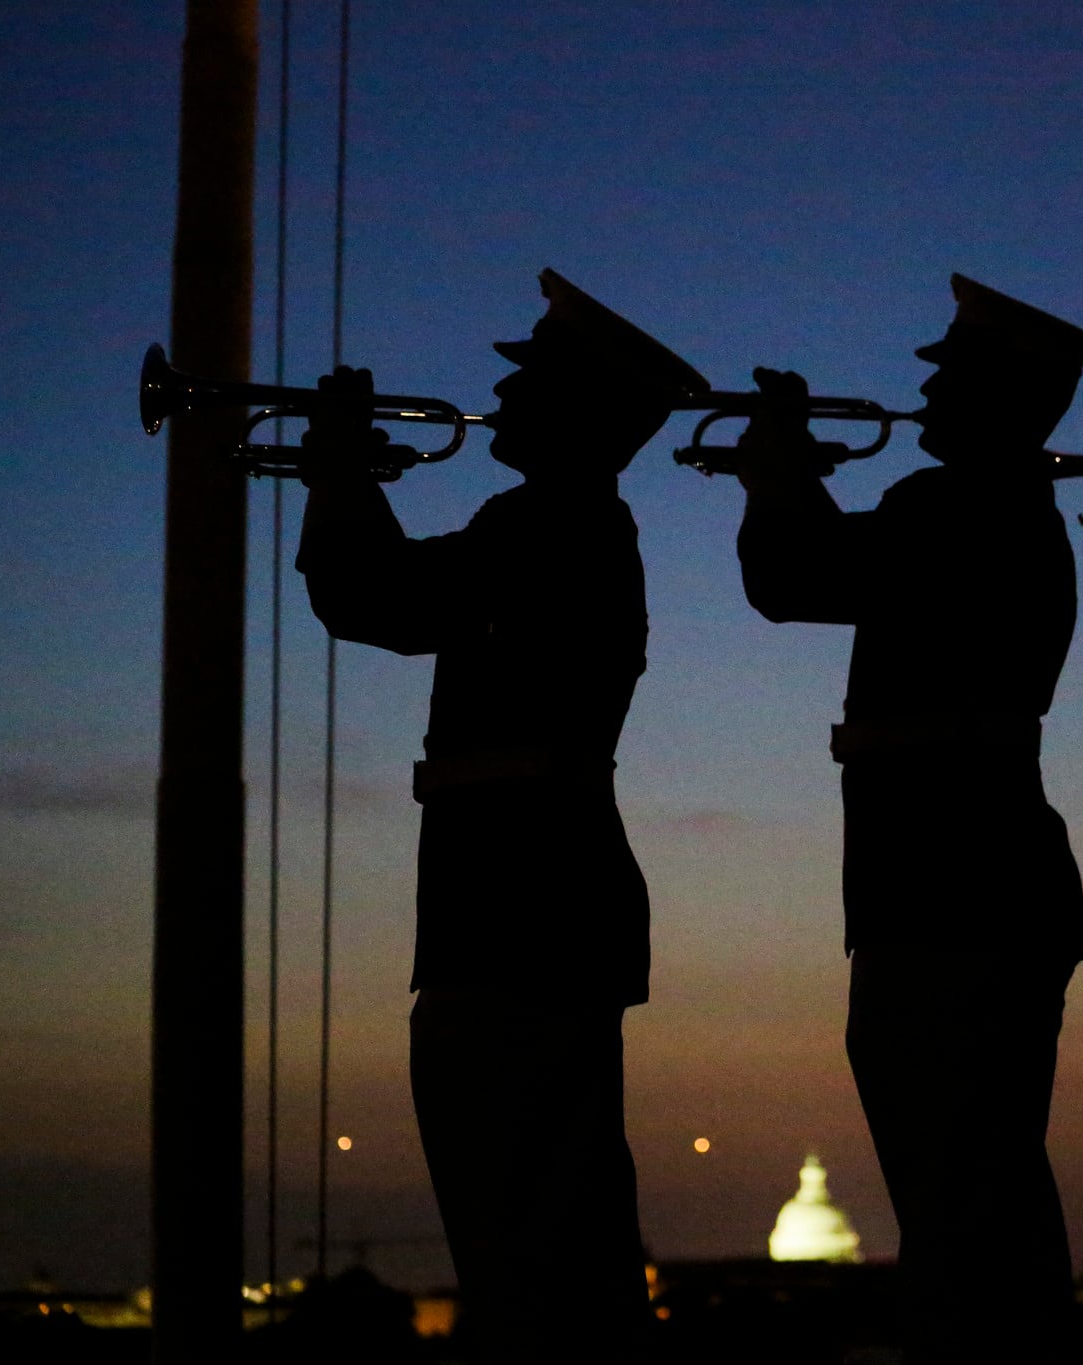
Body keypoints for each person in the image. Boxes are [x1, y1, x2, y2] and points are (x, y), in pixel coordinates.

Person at [295, 268, 704, 1362]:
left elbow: (371, 598)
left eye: (531, 386)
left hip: (516, 900)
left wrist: (335, 472)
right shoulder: (559, 523)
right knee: (540, 1219)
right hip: (535, 894)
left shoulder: (546, 522)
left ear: (576, 413)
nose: (503, 403)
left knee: (521, 1225)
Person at [732, 274, 1083, 1363]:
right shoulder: (990, 508)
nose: (926, 391)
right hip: (972, 873)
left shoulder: (948, 506)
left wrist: (776, 467)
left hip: (943, 880)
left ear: (1001, 396)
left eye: (951, 375)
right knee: (974, 1182)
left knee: (957, 1190)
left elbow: (789, 577)